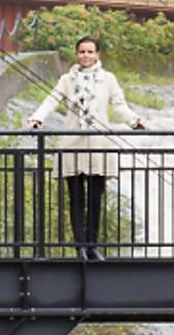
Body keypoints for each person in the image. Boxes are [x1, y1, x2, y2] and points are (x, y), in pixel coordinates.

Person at [22, 34, 147, 259]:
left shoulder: (108, 79)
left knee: (95, 199)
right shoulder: (66, 80)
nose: (86, 56)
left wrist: (134, 120)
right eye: (82, 52)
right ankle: (79, 245)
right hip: (72, 143)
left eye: (90, 52)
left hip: (98, 145)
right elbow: (51, 100)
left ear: (97, 54)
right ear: (76, 54)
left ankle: (92, 245)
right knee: (76, 198)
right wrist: (36, 118)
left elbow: (119, 106)